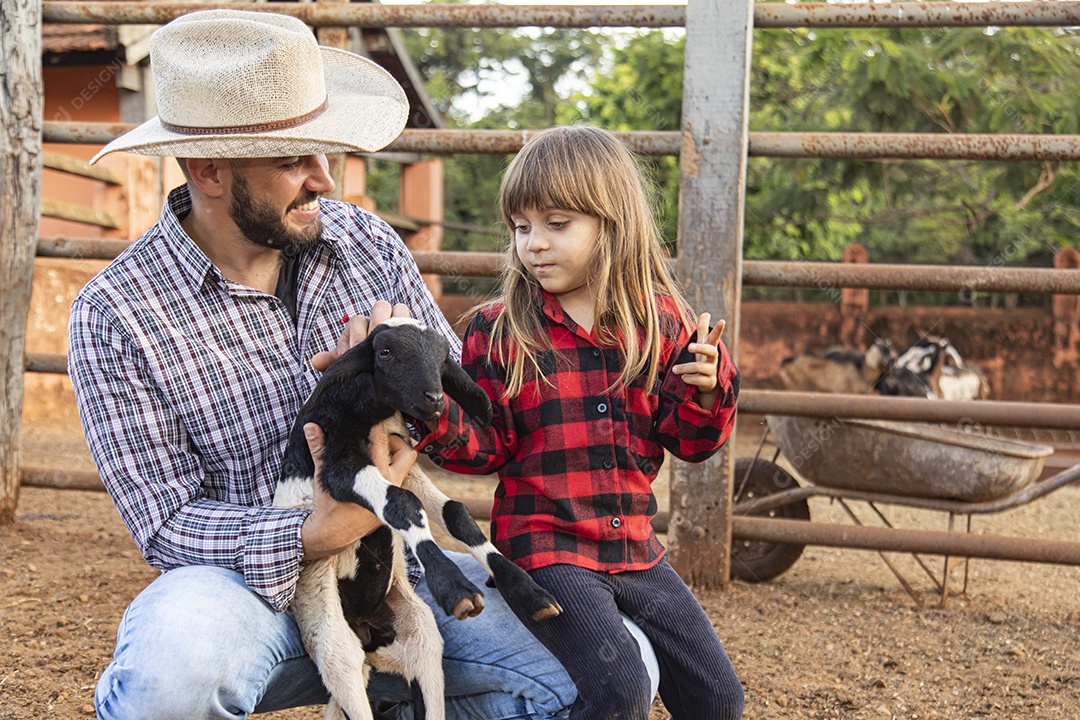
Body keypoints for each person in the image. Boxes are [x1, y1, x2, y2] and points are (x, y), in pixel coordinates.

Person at [70, 10, 650, 720]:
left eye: (327, 152)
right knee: (168, 681)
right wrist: (313, 532)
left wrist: (414, 382)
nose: (324, 178)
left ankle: (397, 697)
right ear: (208, 170)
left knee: (618, 666)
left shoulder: (368, 242)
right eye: (294, 160)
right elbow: (163, 520)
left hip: (397, 571)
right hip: (246, 590)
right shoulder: (115, 312)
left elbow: (457, 418)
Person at [415, 126, 747, 720]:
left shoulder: (662, 322)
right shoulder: (498, 330)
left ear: (611, 223)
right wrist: (437, 415)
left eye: (557, 225)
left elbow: (689, 443)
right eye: (522, 227)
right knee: (618, 687)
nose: (534, 245)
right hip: (547, 548)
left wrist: (706, 389)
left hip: (636, 548)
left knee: (720, 698)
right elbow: (485, 447)